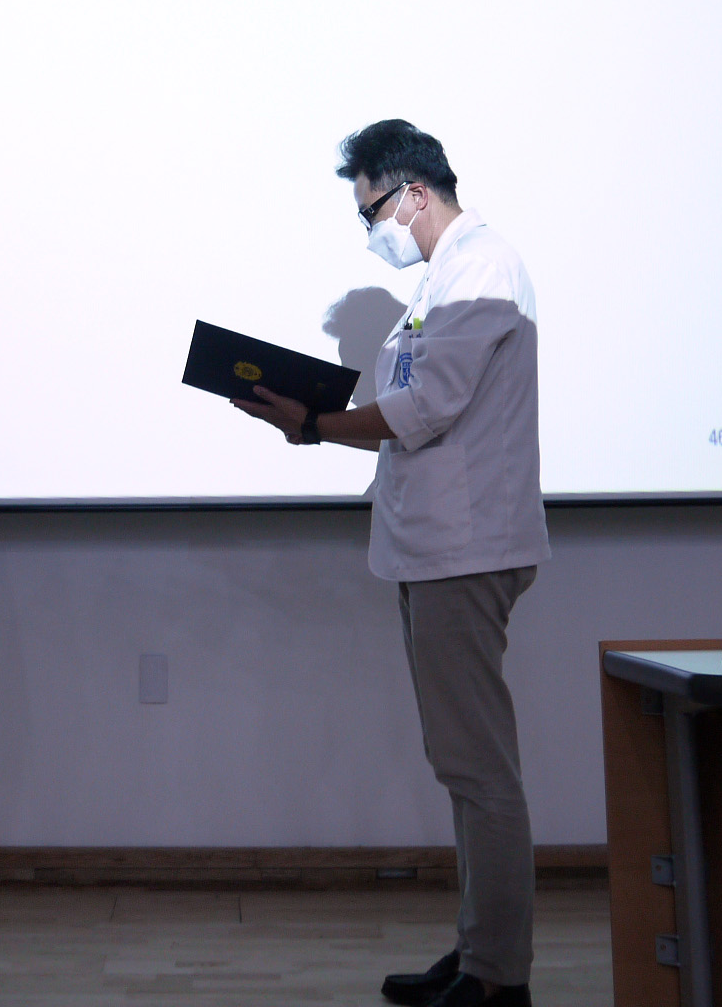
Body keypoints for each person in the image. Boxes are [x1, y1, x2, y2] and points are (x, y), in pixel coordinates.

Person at [233, 119, 548, 1007]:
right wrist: (317, 417)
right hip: (437, 547)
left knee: (479, 770)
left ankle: (499, 976)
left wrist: (311, 424)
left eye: (370, 210)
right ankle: (481, 949)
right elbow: (415, 404)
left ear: (412, 194)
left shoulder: (481, 270)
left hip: (466, 549)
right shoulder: (445, 278)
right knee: (463, 766)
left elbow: (427, 406)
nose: (370, 230)